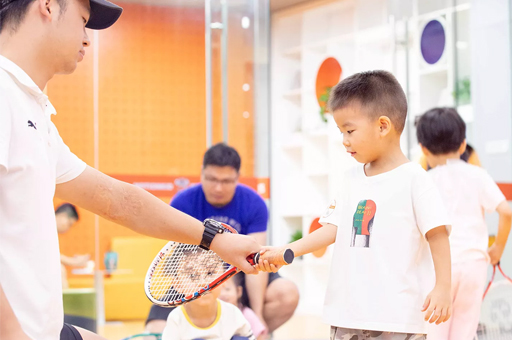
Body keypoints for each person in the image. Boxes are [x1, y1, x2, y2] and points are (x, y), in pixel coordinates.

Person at [0, 0, 261, 339]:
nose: (87, 39)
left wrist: (216, 241)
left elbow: (116, 200)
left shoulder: (31, 110)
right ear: (48, 5)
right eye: (82, 21)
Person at [257, 70, 452, 340]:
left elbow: (437, 234)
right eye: (340, 131)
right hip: (346, 313)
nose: (344, 140)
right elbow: (332, 228)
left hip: (397, 317)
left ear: (383, 126)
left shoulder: (415, 179)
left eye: (349, 130)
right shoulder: (350, 180)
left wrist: (443, 286)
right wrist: (286, 250)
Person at [145, 143, 299, 335]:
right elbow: (177, 259)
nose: (218, 187)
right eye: (211, 179)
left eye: (226, 181)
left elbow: (255, 259)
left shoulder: (254, 203)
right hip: (194, 274)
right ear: (201, 173)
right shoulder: (182, 202)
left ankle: (246, 330)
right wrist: (199, 282)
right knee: (155, 330)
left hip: (240, 273)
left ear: (237, 177)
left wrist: (258, 314)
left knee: (287, 293)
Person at [415, 107, 512, 340]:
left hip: (438, 268)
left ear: (424, 149)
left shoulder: (423, 182)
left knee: (436, 331)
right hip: (474, 264)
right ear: (462, 145)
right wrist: (497, 248)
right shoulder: (477, 175)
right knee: (465, 331)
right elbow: (506, 211)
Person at [161, 253, 255, 340]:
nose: (203, 282)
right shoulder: (176, 319)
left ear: (225, 278)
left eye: (210, 273)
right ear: (178, 285)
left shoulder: (233, 313)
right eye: (192, 275)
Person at [219, 273, 267, 340]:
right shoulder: (215, 313)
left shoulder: (246, 314)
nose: (223, 294)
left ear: (238, 291)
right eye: (219, 291)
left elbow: (260, 335)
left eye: (227, 289)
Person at [55, 203, 90, 289]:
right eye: (69, 224)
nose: (68, 228)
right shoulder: (42, 226)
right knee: (60, 269)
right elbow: (45, 254)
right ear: (62, 216)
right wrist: (73, 261)